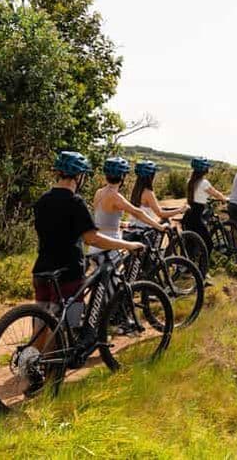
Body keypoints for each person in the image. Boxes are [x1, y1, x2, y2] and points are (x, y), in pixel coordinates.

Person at [31, 152, 146, 359]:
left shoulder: (42, 200)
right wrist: (127, 244)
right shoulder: (75, 202)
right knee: (64, 326)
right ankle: (53, 369)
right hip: (68, 270)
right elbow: (93, 238)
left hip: (41, 268)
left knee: (41, 321)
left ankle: (33, 362)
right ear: (79, 176)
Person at [88, 156, 166, 255]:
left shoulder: (99, 192)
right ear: (123, 176)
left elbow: (102, 216)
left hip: (96, 242)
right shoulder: (116, 196)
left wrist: (120, 222)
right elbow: (138, 213)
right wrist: (160, 227)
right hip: (111, 243)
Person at [183, 157, 228, 251]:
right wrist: (224, 199)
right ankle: (203, 264)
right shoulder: (204, 183)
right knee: (208, 244)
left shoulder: (190, 181)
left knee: (190, 244)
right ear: (205, 170)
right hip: (197, 217)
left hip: (188, 216)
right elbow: (215, 193)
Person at [129, 159, 188, 228]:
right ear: (151, 176)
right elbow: (161, 214)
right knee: (165, 223)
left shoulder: (136, 189)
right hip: (145, 228)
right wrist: (180, 210)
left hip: (134, 225)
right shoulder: (148, 193)